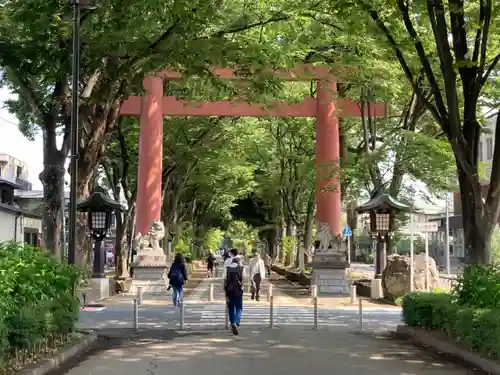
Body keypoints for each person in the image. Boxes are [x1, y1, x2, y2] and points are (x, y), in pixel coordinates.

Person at [222, 248, 246, 335]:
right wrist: (243, 287)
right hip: (239, 290)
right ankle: (236, 321)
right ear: (238, 262)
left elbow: (224, 279)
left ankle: (232, 322)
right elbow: (244, 278)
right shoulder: (241, 268)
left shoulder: (227, 269)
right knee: (239, 307)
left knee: (231, 306)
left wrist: (224, 289)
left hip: (229, 290)